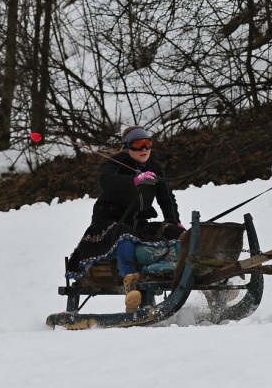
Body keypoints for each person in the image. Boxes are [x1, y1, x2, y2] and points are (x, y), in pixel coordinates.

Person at [66, 125, 185, 312]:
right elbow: (105, 182)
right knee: (125, 235)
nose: (144, 149)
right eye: (138, 144)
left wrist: (173, 220)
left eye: (147, 143)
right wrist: (134, 181)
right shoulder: (114, 164)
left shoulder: (154, 168)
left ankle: (186, 276)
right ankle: (131, 286)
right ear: (127, 147)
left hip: (140, 225)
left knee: (176, 233)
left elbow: (166, 198)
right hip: (110, 224)